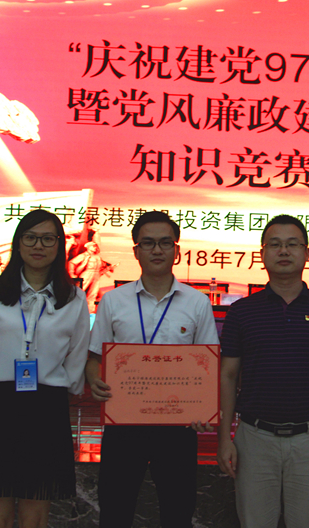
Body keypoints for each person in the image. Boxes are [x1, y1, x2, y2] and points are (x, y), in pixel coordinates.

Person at [216, 214, 309, 528]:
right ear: (262, 254)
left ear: (307, 253)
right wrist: (225, 438)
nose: (284, 251)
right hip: (254, 439)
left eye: (292, 244)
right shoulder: (241, 312)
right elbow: (228, 376)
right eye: (275, 245)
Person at [84, 211, 219, 528]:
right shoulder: (113, 301)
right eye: (148, 243)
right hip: (124, 423)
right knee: (115, 511)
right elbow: (94, 358)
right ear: (136, 251)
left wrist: (206, 409)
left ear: (177, 250)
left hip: (179, 426)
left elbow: (208, 364)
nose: (157, 250)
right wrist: (94, 380)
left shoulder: (197, 302)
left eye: (165, 243)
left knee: (178, 512)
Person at [0, 209, 90, 528]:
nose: (38, 245)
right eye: (30, 237)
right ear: (18, 243)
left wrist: (54, 396)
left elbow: (76, 359)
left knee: (36, 512)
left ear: (59, 245)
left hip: (47, 407)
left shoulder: (74, 299)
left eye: (47, 238)